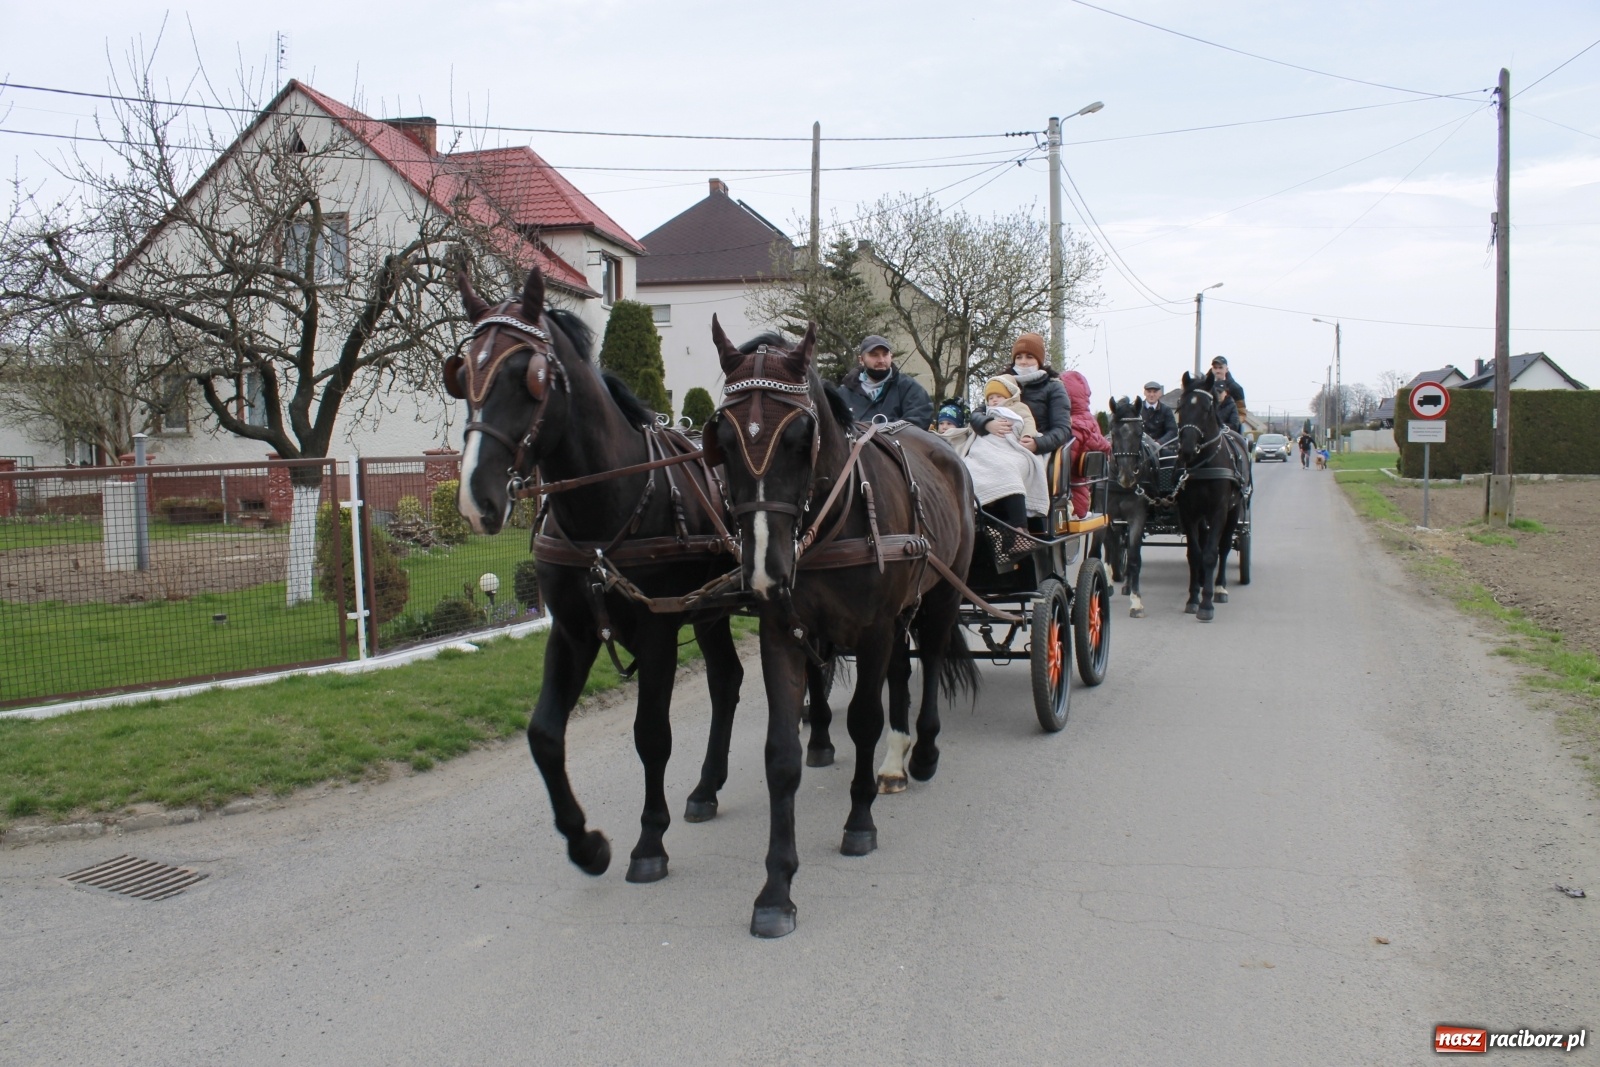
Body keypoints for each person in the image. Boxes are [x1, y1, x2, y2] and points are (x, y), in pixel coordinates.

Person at [940, 379, 1049, 529]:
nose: (995, 400)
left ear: (1008, 397)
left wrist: (1027, 435)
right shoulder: (985, 411)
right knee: (968, 468)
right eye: (991, 398)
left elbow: (1028, 422)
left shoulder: (1018, 407)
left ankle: (1020, 527)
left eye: (999, 396)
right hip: (986, 447)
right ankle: (974, 518)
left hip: (1012, 446)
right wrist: (987, 423)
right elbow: (975, 422)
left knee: (1008, 470)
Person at [970, 333, 1072, 458]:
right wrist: (987, 424)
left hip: (1030, 450)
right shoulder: (1003, 383)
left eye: (1029, 357)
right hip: (995, 445)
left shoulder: (1053, 387)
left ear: (1039, 361)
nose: (1023, 362)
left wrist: (1037, 444)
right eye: (1019, 357)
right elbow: (977, 414)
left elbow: (1062, 429)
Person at [839, 334, 934, 428]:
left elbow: (920, 418)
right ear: (861, 360)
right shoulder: (843, 394)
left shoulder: (909, 387)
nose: (881, 360)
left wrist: (885, 431)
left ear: (891, 357)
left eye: (885, 354)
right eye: (874, 355)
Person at [1062, 370, 1110, 519]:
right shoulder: (1090, 421)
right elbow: (1104, 445)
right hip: (1084, 493)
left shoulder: (1073, 427)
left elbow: (1063, 469)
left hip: (1070, 499)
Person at [1202, 356, 1246, 434]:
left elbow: (1241, 412)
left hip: (1229, 430)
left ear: (1226, 369)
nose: (1218, 371)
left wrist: (1233, 424)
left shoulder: (1236, 388)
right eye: (1215, 368)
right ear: (1212, 369)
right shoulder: (1203, 387)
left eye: (1220, 368)